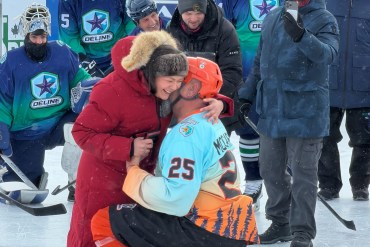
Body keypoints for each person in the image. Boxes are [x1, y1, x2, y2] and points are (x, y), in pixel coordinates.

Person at [67, 30, 229, 247]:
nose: (174, 87)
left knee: (130, 237)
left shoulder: (166, 85)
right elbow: (81, 132)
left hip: (141, 176)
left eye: (179, 82)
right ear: (152, 72)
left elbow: (199, 89)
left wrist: (221, 103)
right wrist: (127, 147)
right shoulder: (112, 90)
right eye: (170, 81)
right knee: (93, 235)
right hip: (103, 179)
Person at [90, 56, 259, 247]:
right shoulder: (211, 120)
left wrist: (134, 172)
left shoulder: (186, 134)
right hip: (231, 229)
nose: (168, 86)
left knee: (104, 221)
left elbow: (177, 200)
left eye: (177, 80)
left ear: (192, 88)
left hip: (205, 231)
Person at [238, 0, 339, 246]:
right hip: (272, 109)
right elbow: (261, 63)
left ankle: (302, 232)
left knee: (304, 175)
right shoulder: (272, 17)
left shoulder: (325, 19)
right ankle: (280, 222)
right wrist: (246, 94)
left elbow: (328, 55)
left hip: (306, 111)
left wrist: (302, 36)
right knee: (270, 170)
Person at [0, 4, 91, 190]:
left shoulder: (62, 52)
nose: (39, 41)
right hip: (26, 132)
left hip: (59, 124)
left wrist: (92, 91)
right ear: (26, 35)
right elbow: (2, 103)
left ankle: (78, 181)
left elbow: (81, 80)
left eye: (43, 36)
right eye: (34, 36)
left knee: (88, 122)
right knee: (23, 186)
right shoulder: (10, 62)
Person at [215, 0, 283, 211]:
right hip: (245, 75)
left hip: (282, 74)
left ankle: (285, 187)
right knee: (248, 131)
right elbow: (224, 31)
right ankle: (253, 181)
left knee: (281, 133)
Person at [317, 0, 370, 202]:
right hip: (327, 83)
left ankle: (360, 184)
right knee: (324, 136)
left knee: (365, 140)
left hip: (365, 87)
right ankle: (329, 185)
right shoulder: (324, 3)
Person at [167, 0, 243, 134]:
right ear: (180, 10)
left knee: (213, 154)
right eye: (188, 13)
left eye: (198, 13)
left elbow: (232, 72)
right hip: (181, 110)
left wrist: (220, 102)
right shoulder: (171, 30)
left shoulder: (225, 30)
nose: (193, 19)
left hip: (214, 108)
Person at [58, 0, 136, 75]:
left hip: (119, 54)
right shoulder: (67, 2)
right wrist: (85, 63)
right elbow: (69, 38)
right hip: (86, 59)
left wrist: (127, 50)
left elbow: (132, 24)